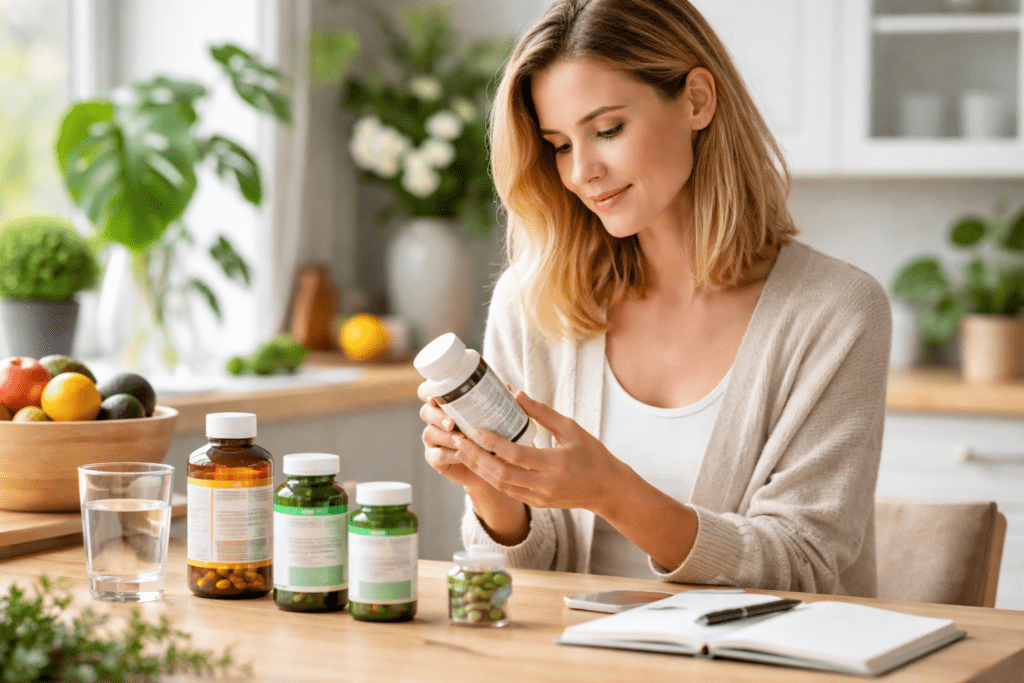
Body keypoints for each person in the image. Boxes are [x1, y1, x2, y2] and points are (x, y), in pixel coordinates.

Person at [418, 0, 891, 597]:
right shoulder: (534, 302)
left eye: (608, 130)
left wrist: (612, 491)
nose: (582, 171)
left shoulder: (836, 312)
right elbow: (525, 582)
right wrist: (489, 486)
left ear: (696, 100)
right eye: (560, 144)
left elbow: (805, 564)